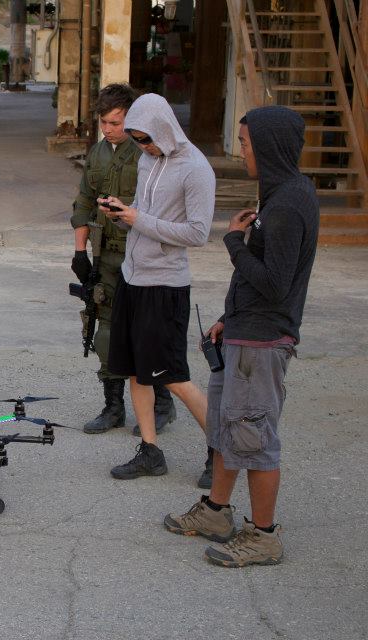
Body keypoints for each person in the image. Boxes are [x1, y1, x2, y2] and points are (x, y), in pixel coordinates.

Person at [164, 106, 318, 567]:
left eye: (247, 143)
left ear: (268, 147)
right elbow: (264, 279)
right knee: (227, 428)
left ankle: (263, 536)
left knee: (254, 438)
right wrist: (229, 318)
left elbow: (275, 283)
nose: (242, 151)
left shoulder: (288, 205)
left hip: (262, 342)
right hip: (244, 332)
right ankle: (216, 512)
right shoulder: (280, 195)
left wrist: (233, 241)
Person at [100, 93, 214, 486]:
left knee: (174, 376)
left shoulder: (196, 168)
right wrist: (121, 215)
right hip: (133, 277)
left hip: (165, 284)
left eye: (146, 139)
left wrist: (138, 219)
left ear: (164, 128)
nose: (143, 147)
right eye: (136, 140)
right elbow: (142, 211)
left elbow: (198, 233)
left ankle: (221, 452)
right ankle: (150, 451)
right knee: (137, 371)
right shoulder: (147, 160)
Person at [70, 83, 176, 435]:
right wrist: (79, 252)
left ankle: (162, 403)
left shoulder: (149, 153)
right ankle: (113, 406)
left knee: (146, 332)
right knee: (105, 331)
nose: (108, 129)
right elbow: (84, 201)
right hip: (106, 255)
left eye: (116, 122)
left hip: (143, 254)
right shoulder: (98, 153)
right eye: (103, 122)